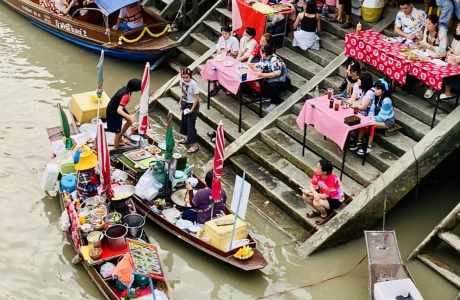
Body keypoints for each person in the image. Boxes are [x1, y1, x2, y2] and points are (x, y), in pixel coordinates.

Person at [350, 79, 395, 155]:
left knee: (371, 124)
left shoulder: (387, 101)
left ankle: (369, 146)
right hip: (376, 116)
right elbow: (372, 109)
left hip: (387, 120)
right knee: (364, 120)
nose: (375, 90)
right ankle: (359, 141)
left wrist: (371, 119)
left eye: (378, 89)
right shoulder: (377, 97)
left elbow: (382, 117)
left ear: (383, 91)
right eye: (375, 88)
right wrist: (370, 115)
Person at [301, 159, 344, 225]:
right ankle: (317, 210)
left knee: (316, 201)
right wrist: (314, 193)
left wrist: (308, 193)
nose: (316, 170)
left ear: (324, 172)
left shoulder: (333, 180)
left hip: (335, 199)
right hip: (322, 192)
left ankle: (324, 215)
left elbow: (324, 197)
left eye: (318, 169)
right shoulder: (317, 174)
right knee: (305, 196)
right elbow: (311, 186)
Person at [414, 15, 448, 98]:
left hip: (438, 56)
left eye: (429, 24)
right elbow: (423, 43)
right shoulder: (427, 29)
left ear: (435, 24)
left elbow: (442, 51)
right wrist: (417, 46)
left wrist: (429, 46)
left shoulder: (442, 32)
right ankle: (423, 79)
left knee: (433, 64)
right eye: (426, 23)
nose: (427, 25)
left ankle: (432, 87)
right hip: (427, 53)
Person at [249, 45, 289, 112]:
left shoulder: (274, 60)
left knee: (273, 86)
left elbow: (277, 73)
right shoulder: (263, 59)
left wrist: (262, 74)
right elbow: (262, 70)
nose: (260, 54)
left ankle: (275, 103)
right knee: (260, 80)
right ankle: (265, 96)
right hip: (269, 77)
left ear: (264, 53)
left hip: (280, 79)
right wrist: (253, 68)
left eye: (261, 52)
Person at [106, 79, 141, 150]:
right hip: (114, 112)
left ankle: (120, 139)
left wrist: (129, 118)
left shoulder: (127, 89)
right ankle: (116, 149)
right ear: (136, 90)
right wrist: (129, 116)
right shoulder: (126, 96)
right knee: (117, 133)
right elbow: (119, 110)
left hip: (116, 106)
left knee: (130, 121)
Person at [178, 67, 200, 154]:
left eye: (186, 77)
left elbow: (196, 98)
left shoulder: (193, 84)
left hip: (192, 104)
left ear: (190, 76)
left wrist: (192, 109)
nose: (185, 79)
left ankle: (194, 145)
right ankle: (187, 138)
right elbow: (183, 92)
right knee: (184, 122)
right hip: (185, 103)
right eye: (183, 77)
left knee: (191, 124)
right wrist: (180, 102)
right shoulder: (182, 81)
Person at [441, 23, 460, 99]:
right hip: (452, 61)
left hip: (458, 65)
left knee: (449, 69)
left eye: (459, 27)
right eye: (457, 26)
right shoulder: (456, 39)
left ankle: (447, 93)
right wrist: (442, 55)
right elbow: (451, 50)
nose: (456, 29)